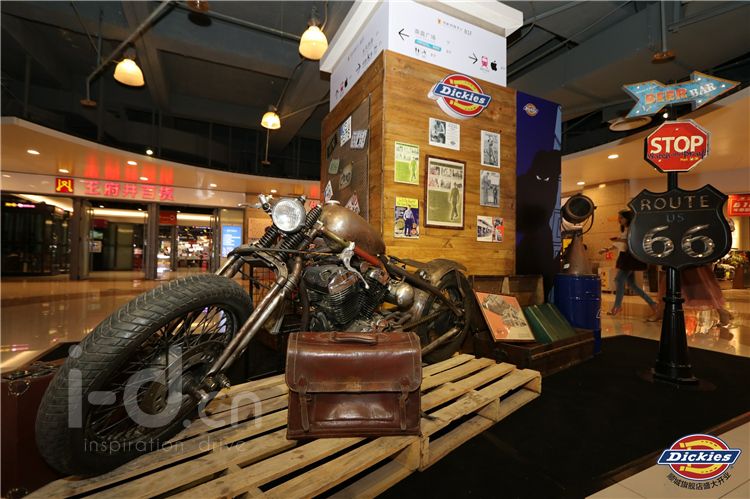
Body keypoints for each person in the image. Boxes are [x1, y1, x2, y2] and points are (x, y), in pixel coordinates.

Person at [606, 209, 658, 317]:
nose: (619, 220)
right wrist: (608, 249)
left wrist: (619, 240)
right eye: (619, 217)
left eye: (621, 217)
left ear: (627, 218)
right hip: (625, 257)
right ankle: (652, 304)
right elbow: (620, 244)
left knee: (619, 280)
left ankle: (617, 306)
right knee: (632, 285)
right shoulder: (626, 230)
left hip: (629, 259)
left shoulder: (632, 229)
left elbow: (632, 241)